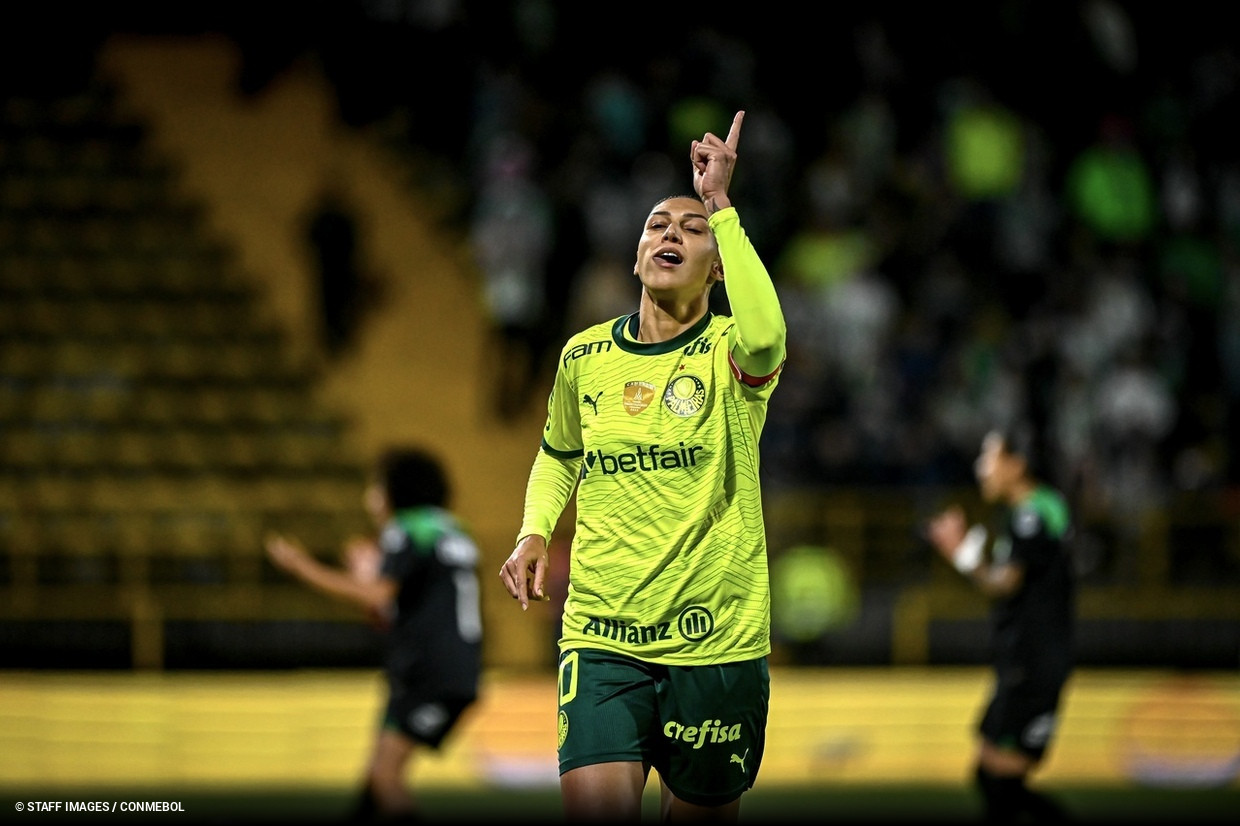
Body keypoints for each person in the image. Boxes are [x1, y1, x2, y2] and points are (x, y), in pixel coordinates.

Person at [498, 109, 787, 822]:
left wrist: (720, 205)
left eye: (690, 231)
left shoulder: (730, 351)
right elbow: (559, 453)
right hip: (602, 637)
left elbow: (769, 333)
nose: (670, 235)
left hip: (714, 640)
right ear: (635, 254)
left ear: (716, 269)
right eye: (658, 225)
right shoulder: (583, 357)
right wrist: (533, 532)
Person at [265, 447, 483, 822]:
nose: (370, 498)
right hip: (454, 666)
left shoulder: (406, 528)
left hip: (427, 673)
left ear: (396, 490)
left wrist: (302, 567)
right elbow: (410, 608)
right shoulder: (452, 530)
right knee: (372, 787)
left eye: (376, 487)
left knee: (385, 780)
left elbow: (378, 595)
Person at [926, 425, 1076, 823]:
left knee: (999, 783)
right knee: (991, 777)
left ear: (1016, 464)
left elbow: (1005, 582)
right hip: (1024, 660)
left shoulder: (1033, 512)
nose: (981, 468)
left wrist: (962, 556)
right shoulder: (1029, 511)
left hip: (1034, 661)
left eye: (988, 458)